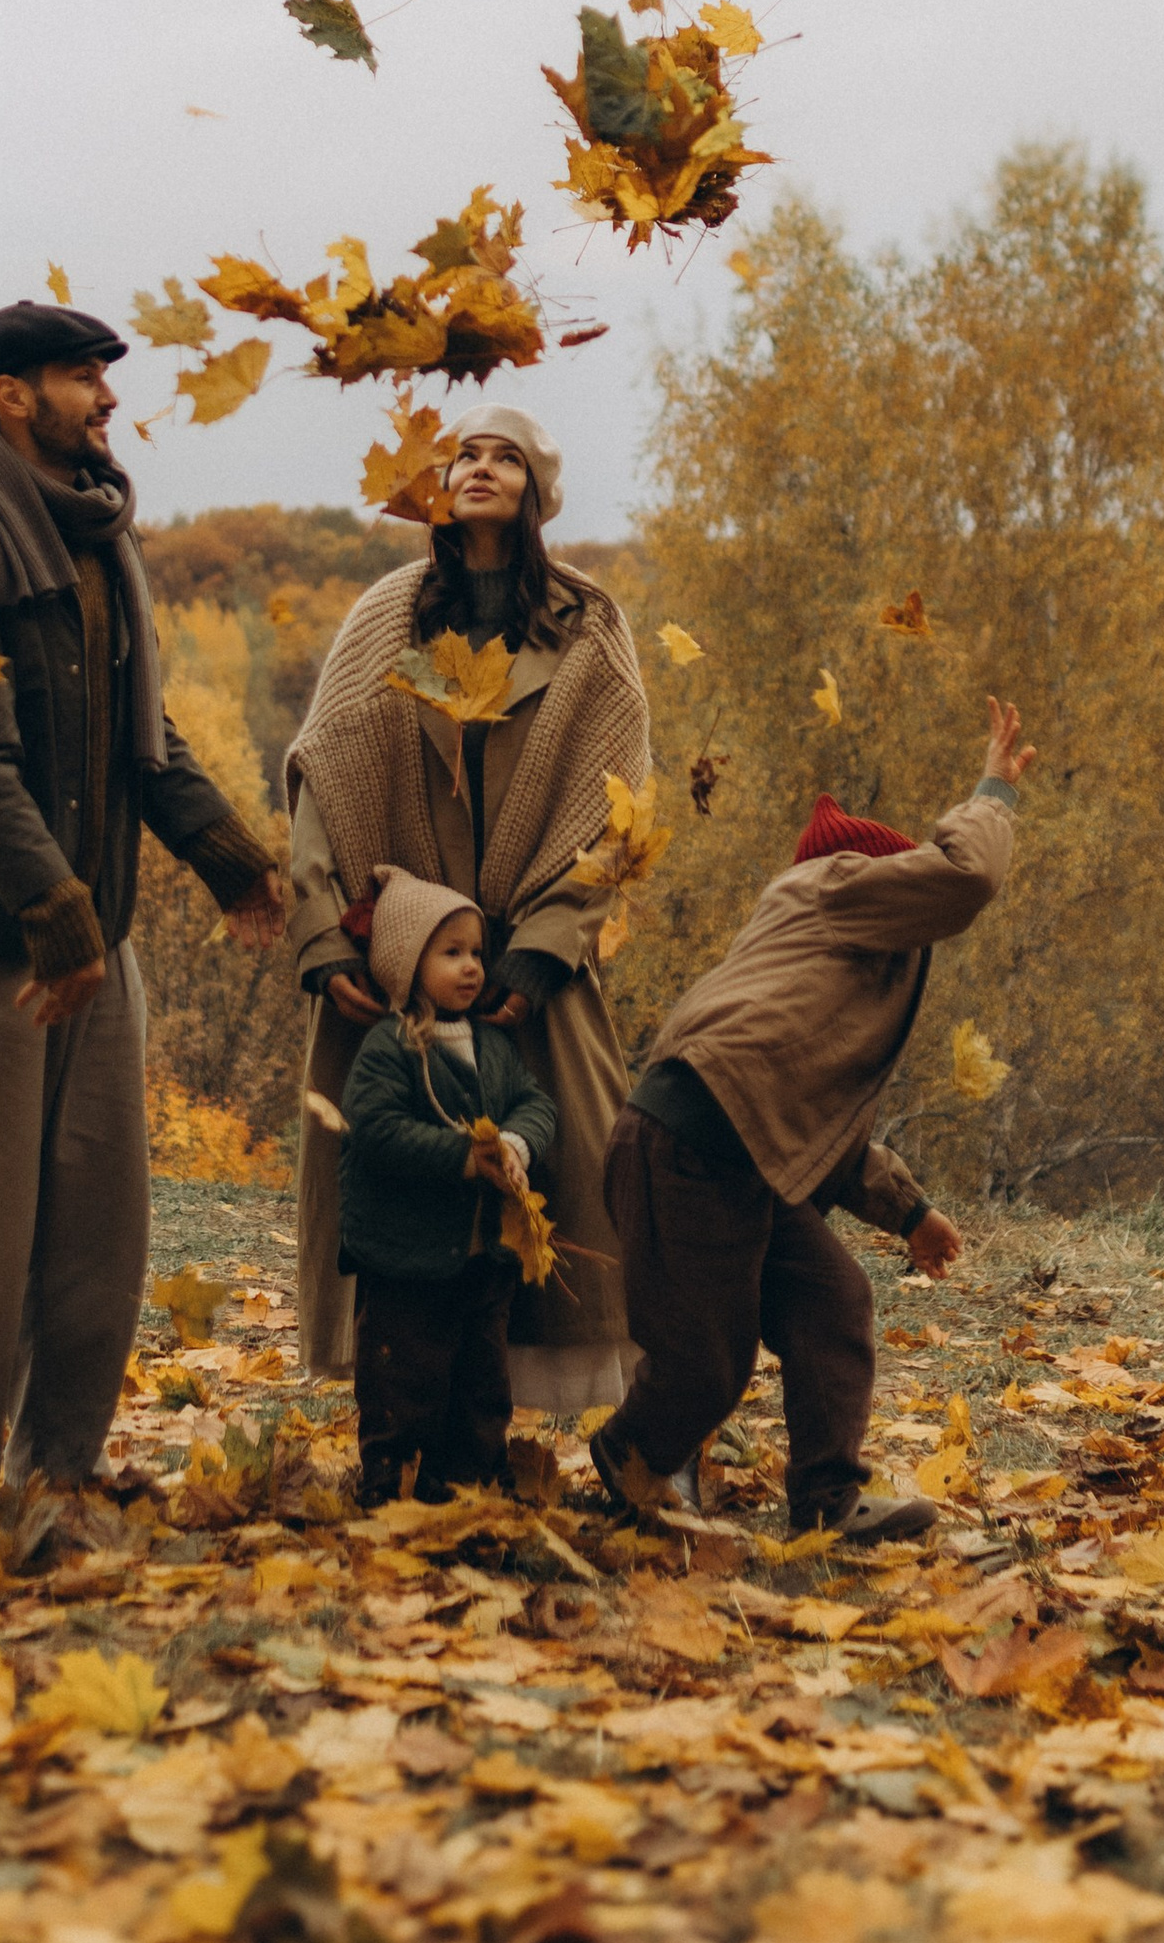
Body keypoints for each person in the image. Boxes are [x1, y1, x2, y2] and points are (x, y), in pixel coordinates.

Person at [0, 299, 286, 1547]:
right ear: (12, 398)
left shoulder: (95, 543)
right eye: (82, 376)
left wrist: (225, 856)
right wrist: (56, 918)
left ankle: (56, 1481)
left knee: (99, 1231)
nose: (106, 398)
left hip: (91, 944)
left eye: (104, 375)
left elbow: (142, 735)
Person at [590, 696, 1036, 1545]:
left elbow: (798, 1118)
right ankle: (631, 1458)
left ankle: (827, 1501)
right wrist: (993, 792)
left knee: (833, 1302)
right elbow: (969, 875)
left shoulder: (805, 963)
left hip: (739, 1152)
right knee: (707, 1364)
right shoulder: (831, 885)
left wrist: (908, 1209)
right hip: (689, 1148)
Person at [289, 406, 646, 1416]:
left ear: (538, 488)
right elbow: (325, 773)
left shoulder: (587, 623)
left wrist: (546, 947)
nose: (481, 469)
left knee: (571, 1171)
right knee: (396, 1180)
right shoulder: (386, 615)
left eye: (505, 457)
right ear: (437, 487)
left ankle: (535, 1417)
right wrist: (324, 940)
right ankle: (407, 1424)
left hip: (532, 956)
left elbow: (619, 802)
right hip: (398, 947)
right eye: (463, 457)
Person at [335, 868, 559, 1504]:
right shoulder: (390, 1047)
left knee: (483, 1378)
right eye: (451, 952)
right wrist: (461, 1157)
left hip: (484, 1257)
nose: (471, 968)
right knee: (403, 1374)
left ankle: (470, 1480)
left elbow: (535, 1103)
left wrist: (515, 1143)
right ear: (407, 964)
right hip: (405, 1254)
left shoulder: (494, 1046)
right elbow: (376, 1130)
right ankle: (392, 1481)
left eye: (477, 953)